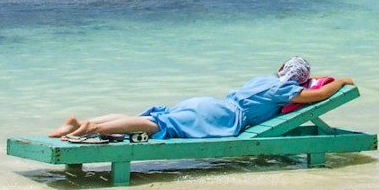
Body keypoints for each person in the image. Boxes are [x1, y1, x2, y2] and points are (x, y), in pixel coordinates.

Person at [48, 56, 355, 140]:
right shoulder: (287, 91)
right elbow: (318, 95)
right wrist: (339, 80)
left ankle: (84, 123)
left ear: (279, 69)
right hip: (224, 117)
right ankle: (91, 128)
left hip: (211, 103)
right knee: (157, 126)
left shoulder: (263, 80)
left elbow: (290, 77)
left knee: (159, 117)